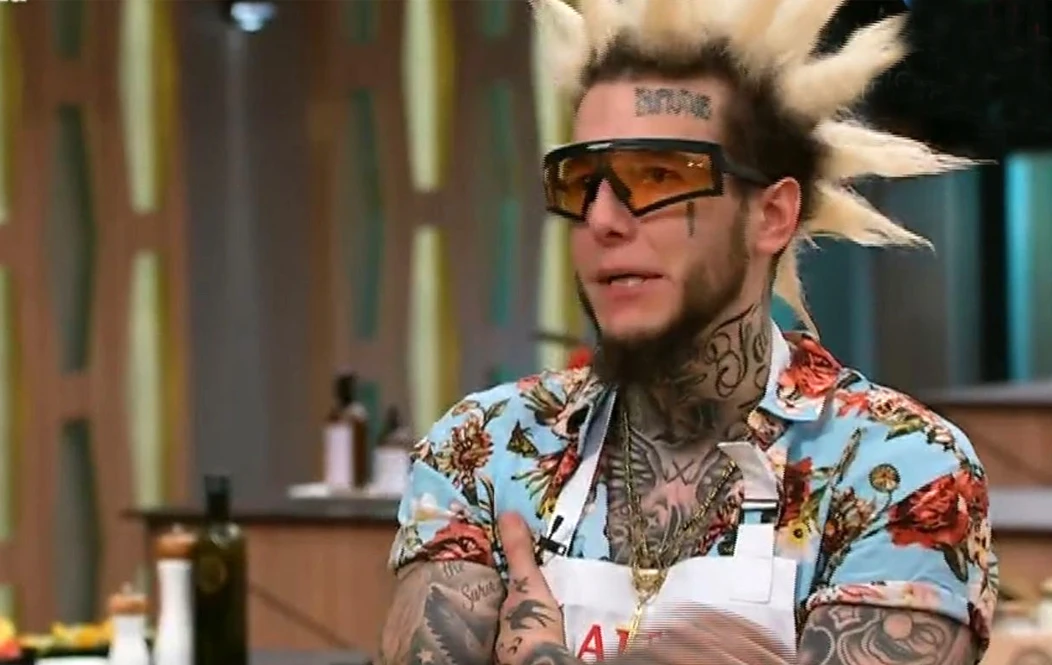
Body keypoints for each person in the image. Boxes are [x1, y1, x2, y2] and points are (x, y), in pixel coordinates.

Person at [380, 0, 997, 664]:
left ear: (771, 215)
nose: (602, 219)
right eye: (583, 181)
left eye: (658, 176)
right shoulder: (487, 446)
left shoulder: (896, 467)